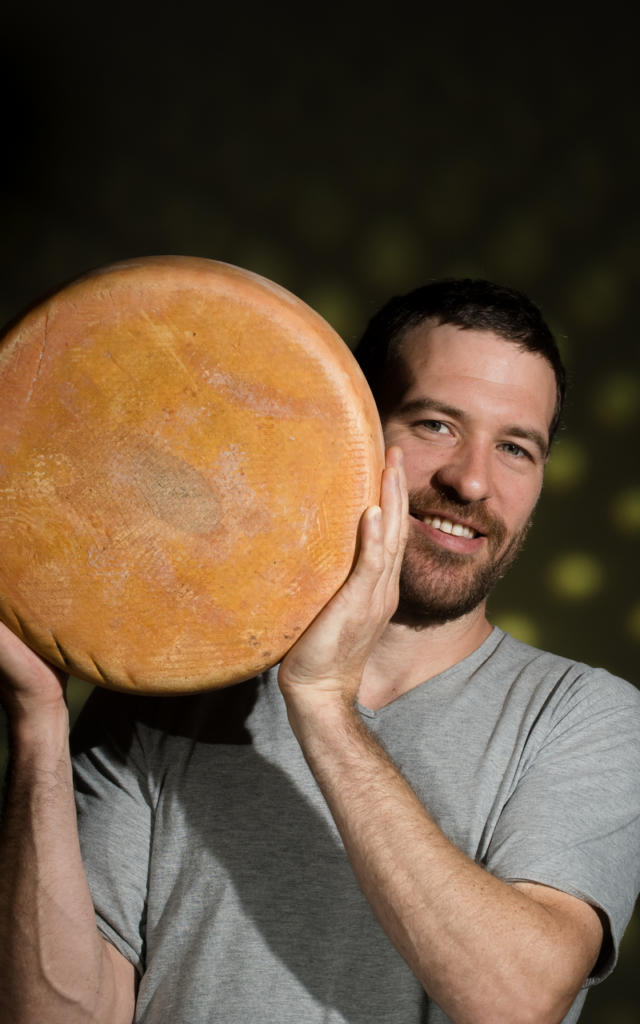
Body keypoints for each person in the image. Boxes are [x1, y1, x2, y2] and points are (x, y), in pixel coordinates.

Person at [1, 278, 639, 1024]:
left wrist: (323, 704)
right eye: (435, 424)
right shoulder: (167, 687)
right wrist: (38, 723)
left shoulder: (587, 719)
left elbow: (518, 1001)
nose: (471, 480)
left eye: (515, 448)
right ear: (350, 432)